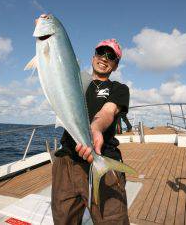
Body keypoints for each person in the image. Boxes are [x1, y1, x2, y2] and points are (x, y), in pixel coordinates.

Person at [52, 38, 130, 225]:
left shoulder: (118, 89)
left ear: (116, 65)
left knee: (112, 220)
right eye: (101, 52)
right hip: (67, 161)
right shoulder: (75, 82)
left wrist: (94, 130)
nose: (104, 58)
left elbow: (108, 111)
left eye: (111, 56)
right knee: (63, 220)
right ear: (93, 56)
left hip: (102, 156)